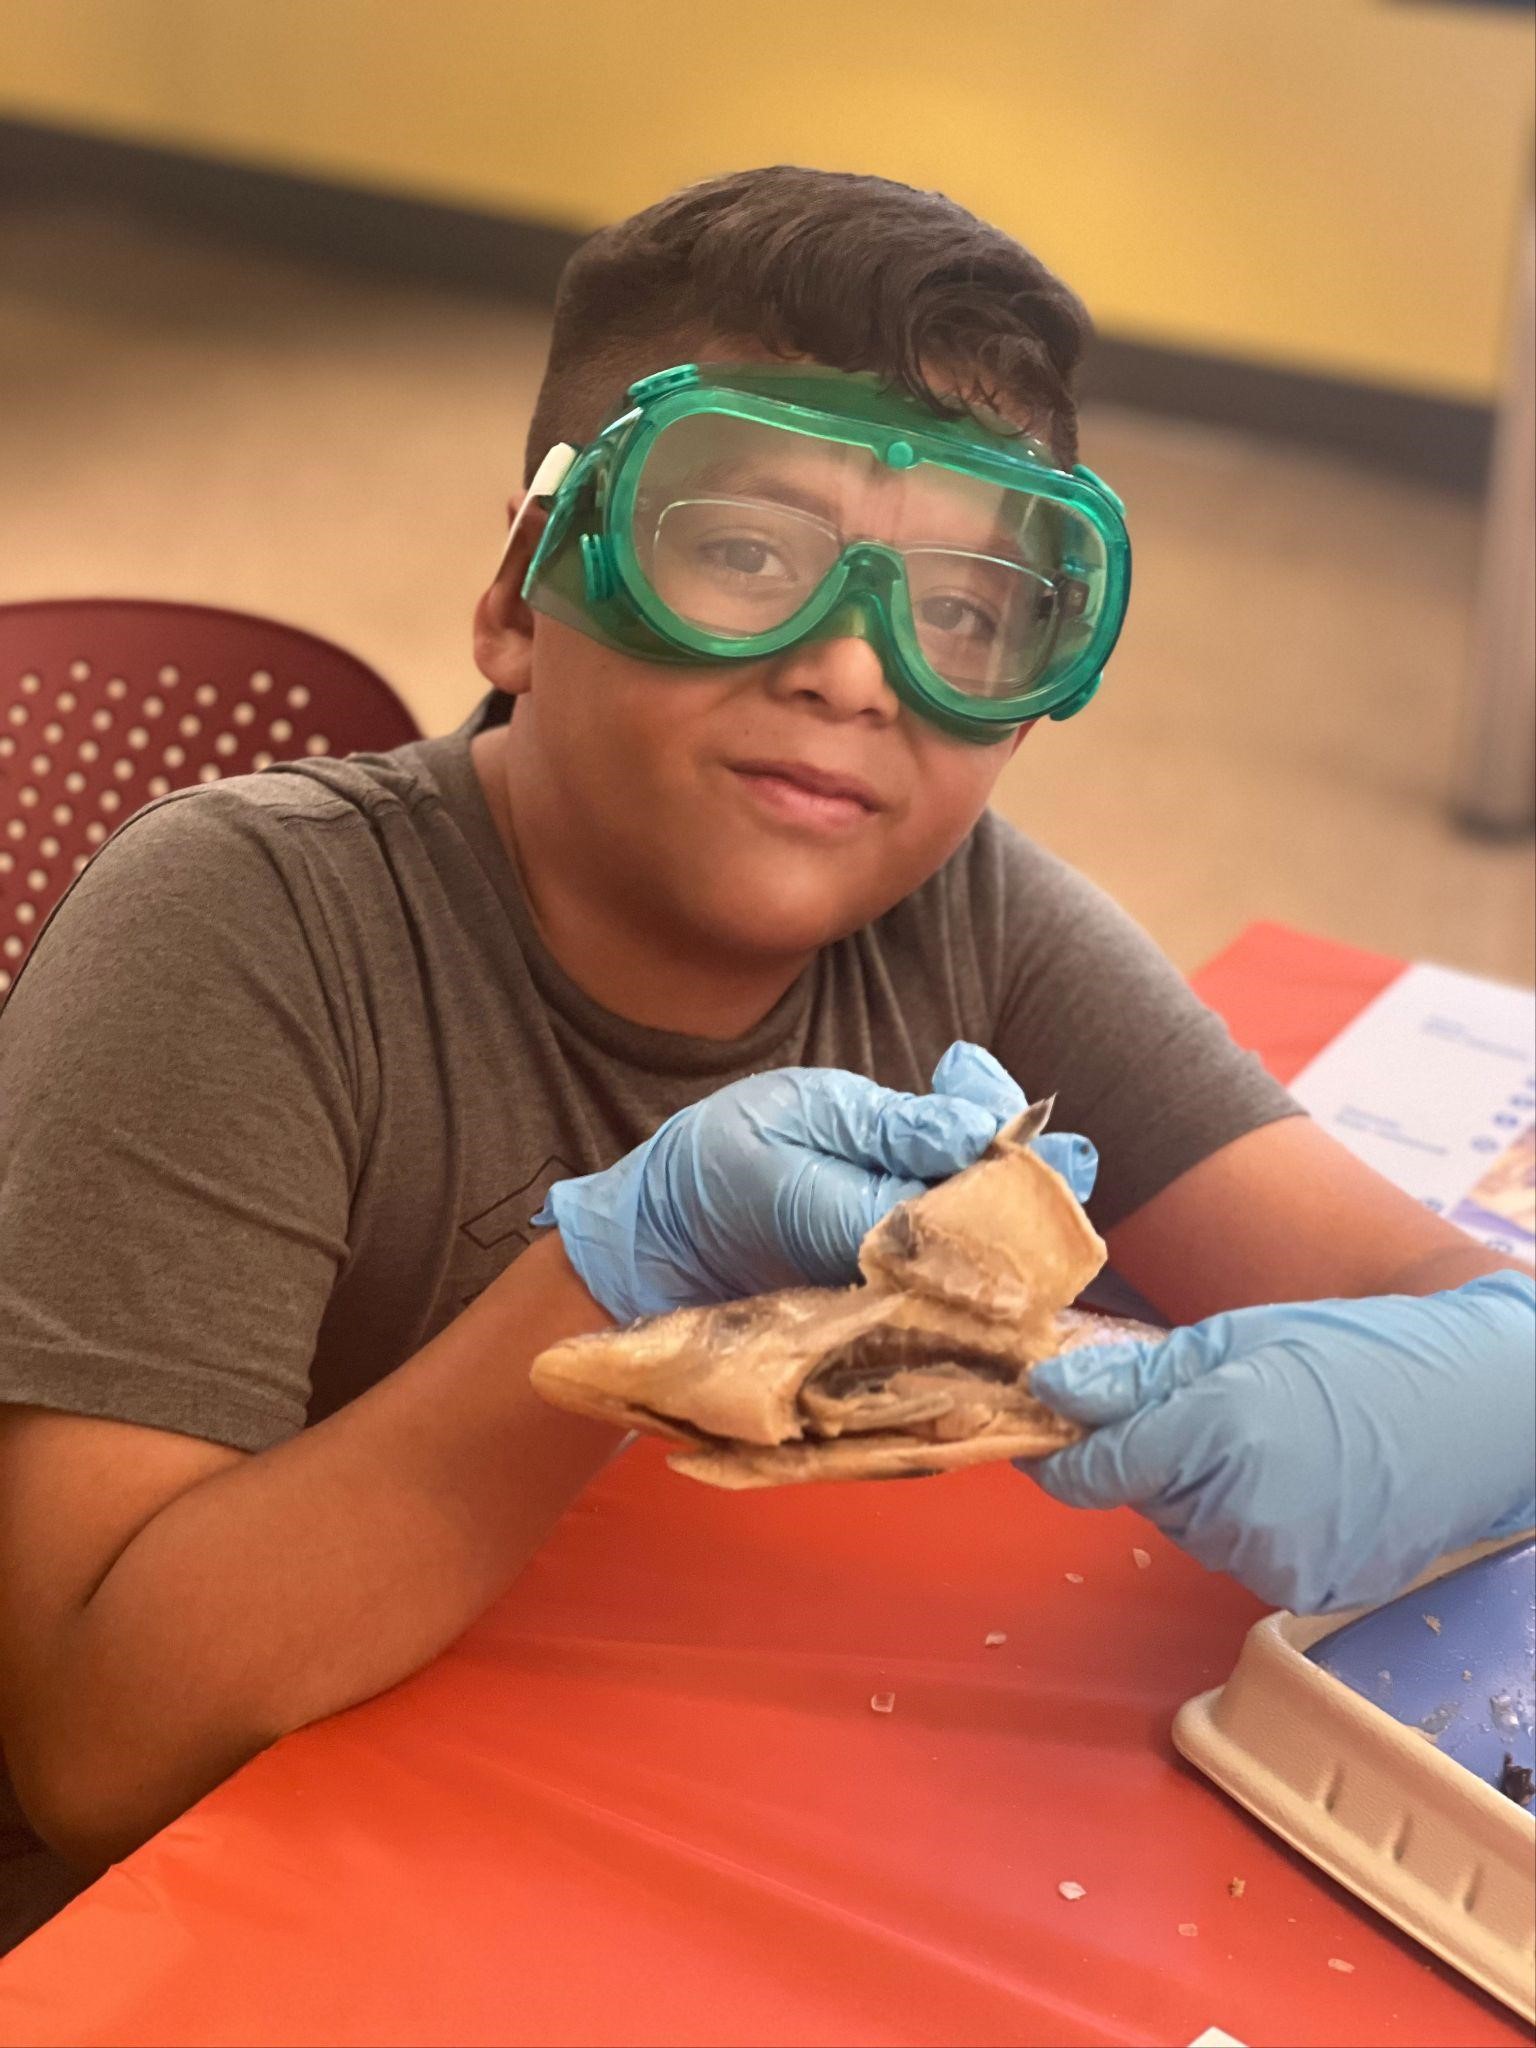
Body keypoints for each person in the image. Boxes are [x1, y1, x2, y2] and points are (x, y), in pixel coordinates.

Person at [0, 166, 1529, 1953]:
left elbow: (1433, 1293)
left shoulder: (966, 911)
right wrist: (609, 1277)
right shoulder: (247, 922)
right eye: (742, 553)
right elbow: (94, 1750)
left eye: (965, 613)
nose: (854, 670)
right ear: (520, 595)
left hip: (609, 1797)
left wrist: (1479, 1377)